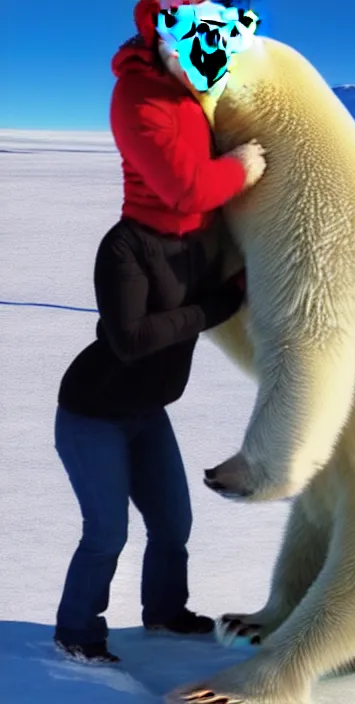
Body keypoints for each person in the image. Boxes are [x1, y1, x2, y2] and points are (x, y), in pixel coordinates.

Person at [53, 0, 266, 664]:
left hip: (148, 411)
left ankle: (166, 614)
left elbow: (211, 225)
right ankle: (77, 635)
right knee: (106, 532)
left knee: (173, 524)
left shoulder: (195, 243)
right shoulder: (123, 250)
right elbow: (133, 340)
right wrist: (214, 310)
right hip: (91, 413)